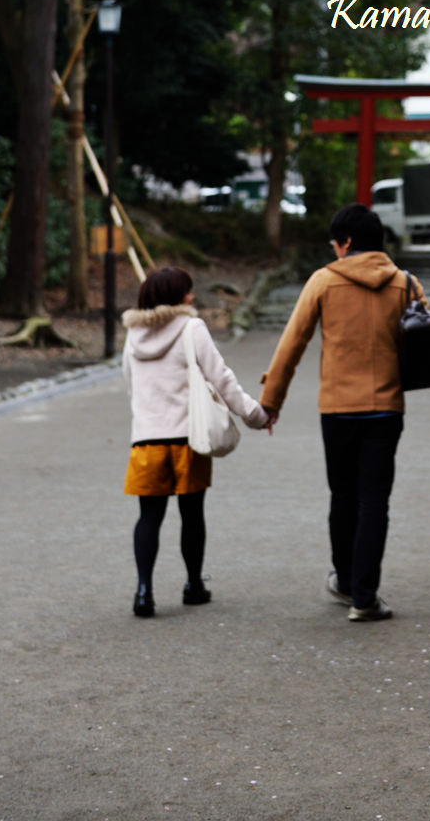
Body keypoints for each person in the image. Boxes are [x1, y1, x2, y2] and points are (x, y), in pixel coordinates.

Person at [259, 202, 430, 622]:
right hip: (386, 408)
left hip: (337, 409)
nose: (334, 250)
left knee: (343, 496)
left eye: (335, 243)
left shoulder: (322, 281)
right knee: (375, 500)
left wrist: (270, 403)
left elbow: (292, 343)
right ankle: (365, 598)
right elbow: (425, 334)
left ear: (347, 242)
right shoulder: (406, 283)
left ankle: (345, 581)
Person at [121, 265, 269, 618]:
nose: (192, 297)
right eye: (187, 291)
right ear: (175, 296)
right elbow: (222, 379)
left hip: (147, 440)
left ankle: (144, 591)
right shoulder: (191, 328)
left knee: (149, 517)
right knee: (192, 514)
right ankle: (193, 585)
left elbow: (131, 386)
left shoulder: (132, 337)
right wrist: (255, 415)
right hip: (188, 437)